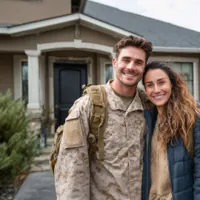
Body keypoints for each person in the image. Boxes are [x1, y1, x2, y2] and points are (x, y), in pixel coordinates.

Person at [54, 35, 153, 200]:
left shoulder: (149, 106)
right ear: (114, 62)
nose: (131, 67)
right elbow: (71, 170)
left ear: (144, 67)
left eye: (138, 62)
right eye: (126, 60)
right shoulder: (87, 106)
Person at [141, 61, 200, 200]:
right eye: (150, 85)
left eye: (161, 82)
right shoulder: (148, 119)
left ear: (172, 84)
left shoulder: (192, 117)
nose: (156, 90)